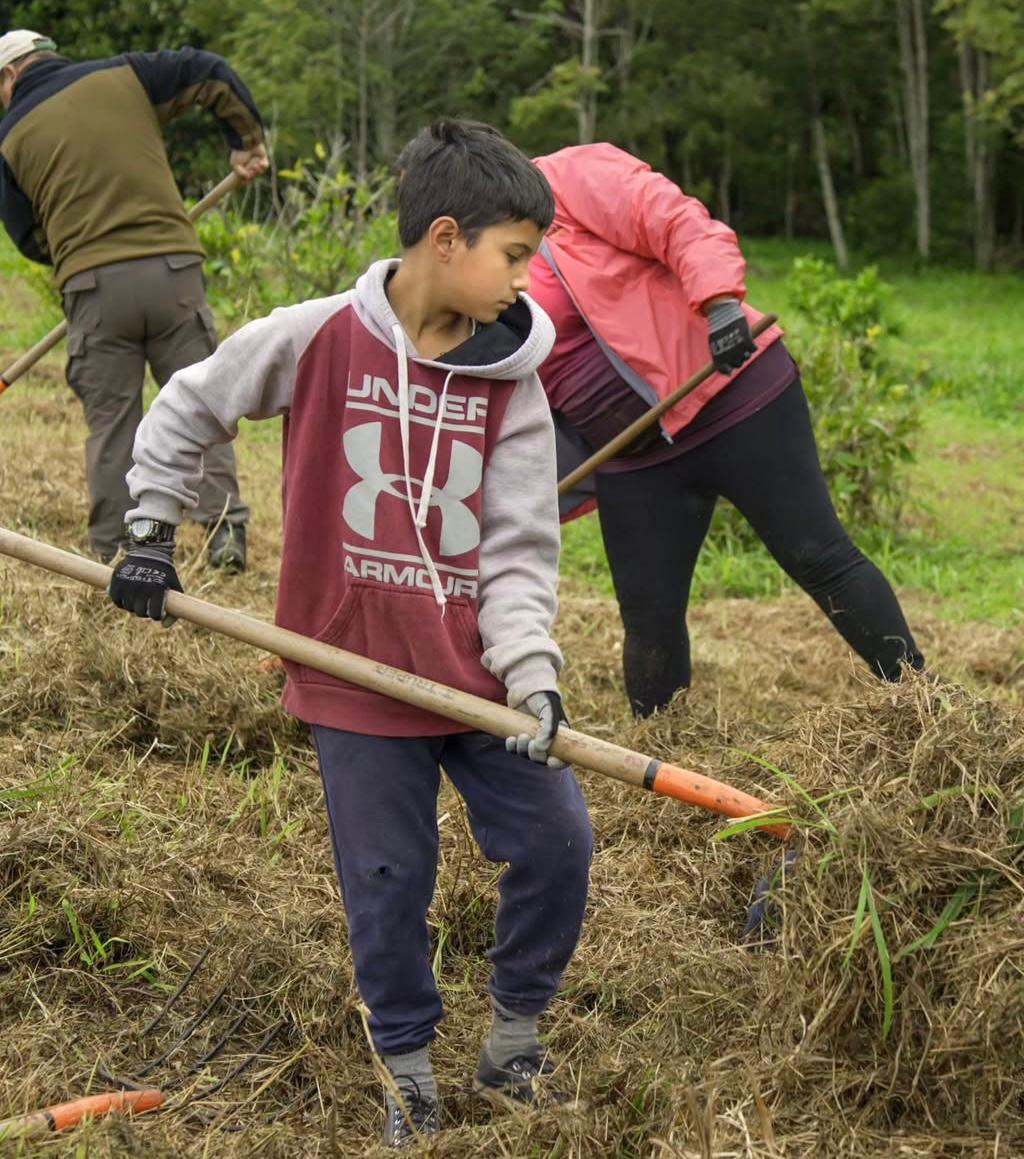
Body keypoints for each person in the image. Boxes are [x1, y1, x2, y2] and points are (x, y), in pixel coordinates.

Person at [107, 118, 593, 1147]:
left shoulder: (515, 387)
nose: (525, 283)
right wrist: (151, 527)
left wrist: (533, 677)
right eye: (515, 256)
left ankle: (514, 1038)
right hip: (353, 676)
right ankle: (408, 1068)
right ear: (447, 239)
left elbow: (516, 549)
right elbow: (194, 402)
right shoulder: (318, 334)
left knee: (558, 839)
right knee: (385, 881)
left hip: (474, 679)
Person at [523, 142, 925, 718]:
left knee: (817, 555)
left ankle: (929, 709)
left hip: (732, 391)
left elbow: (668, 216)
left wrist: (719, 303)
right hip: (635, 451)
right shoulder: (479, 260)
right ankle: (665, 770)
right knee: (648, 615)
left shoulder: (565, 181)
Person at [0, 29, 269, 567]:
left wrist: (82, 251)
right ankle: (225, 535)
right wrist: (246, 140)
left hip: (94, 290)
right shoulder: (127, 74)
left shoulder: (7, 139)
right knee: (202, 405)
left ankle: (116, 553)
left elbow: (29, 239)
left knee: (112, 425)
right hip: (174, 275)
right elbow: (208, 69)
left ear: (9, 76)